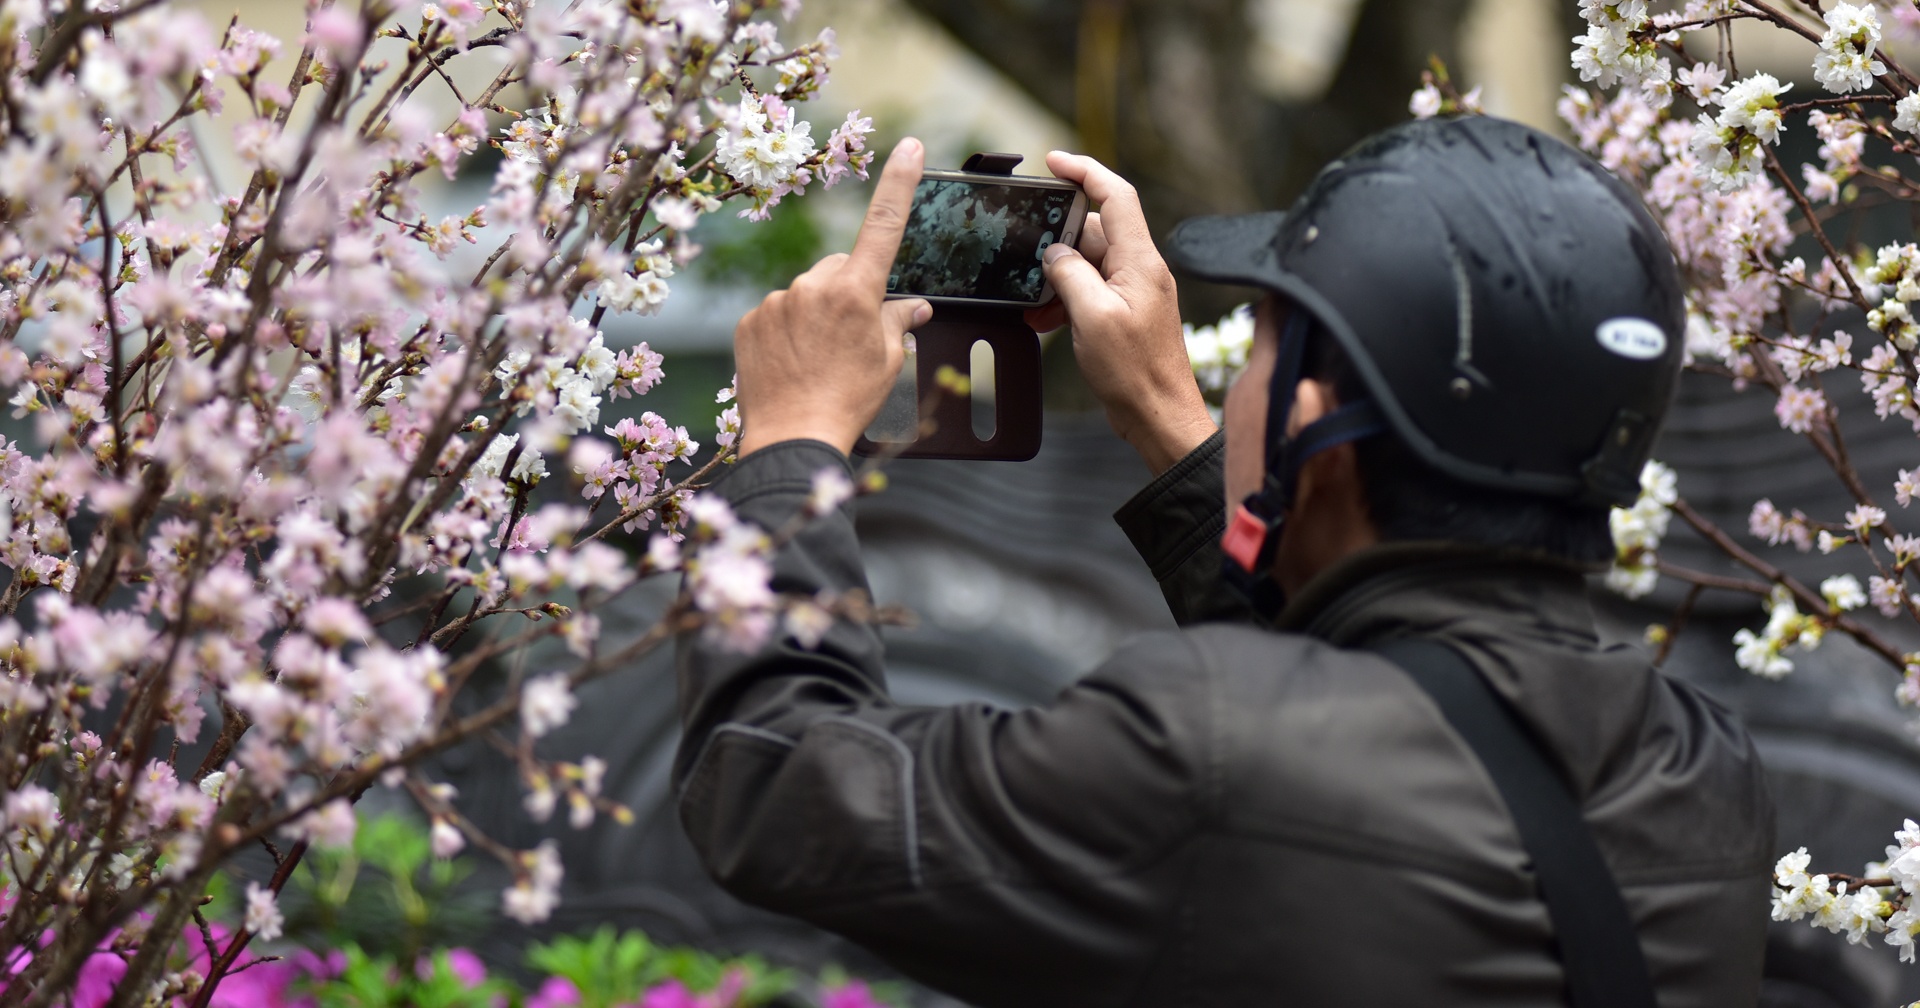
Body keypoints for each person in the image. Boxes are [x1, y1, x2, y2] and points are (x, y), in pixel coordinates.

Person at [673, 115, 1774, 1006]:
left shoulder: (1205, 742)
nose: (1228, 374)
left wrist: (789, 445)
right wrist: (1167, 415)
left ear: (1309, 414)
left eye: (1254, 337)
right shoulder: (1704, 770)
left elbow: (775, 782)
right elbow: (1379, 700)